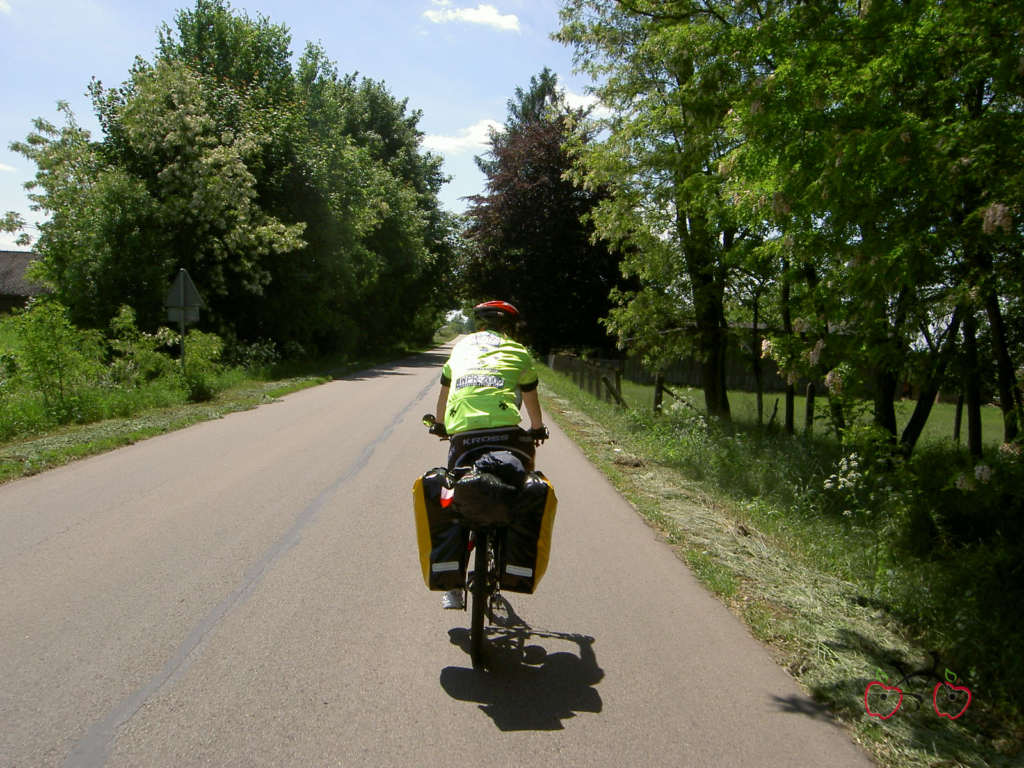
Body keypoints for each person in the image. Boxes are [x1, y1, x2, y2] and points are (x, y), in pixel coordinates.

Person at [431, 300, 548, 609]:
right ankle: (511, 557)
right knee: (520, 488)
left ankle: (452, 588)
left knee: (453, 496)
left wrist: (441, 425)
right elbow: (530, 398)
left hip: (465, 438)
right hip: (508, 435)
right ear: (508, 327)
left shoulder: (460, 349)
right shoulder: (519, 352)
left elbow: (444, 394)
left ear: (479, 326)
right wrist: (537, 429)